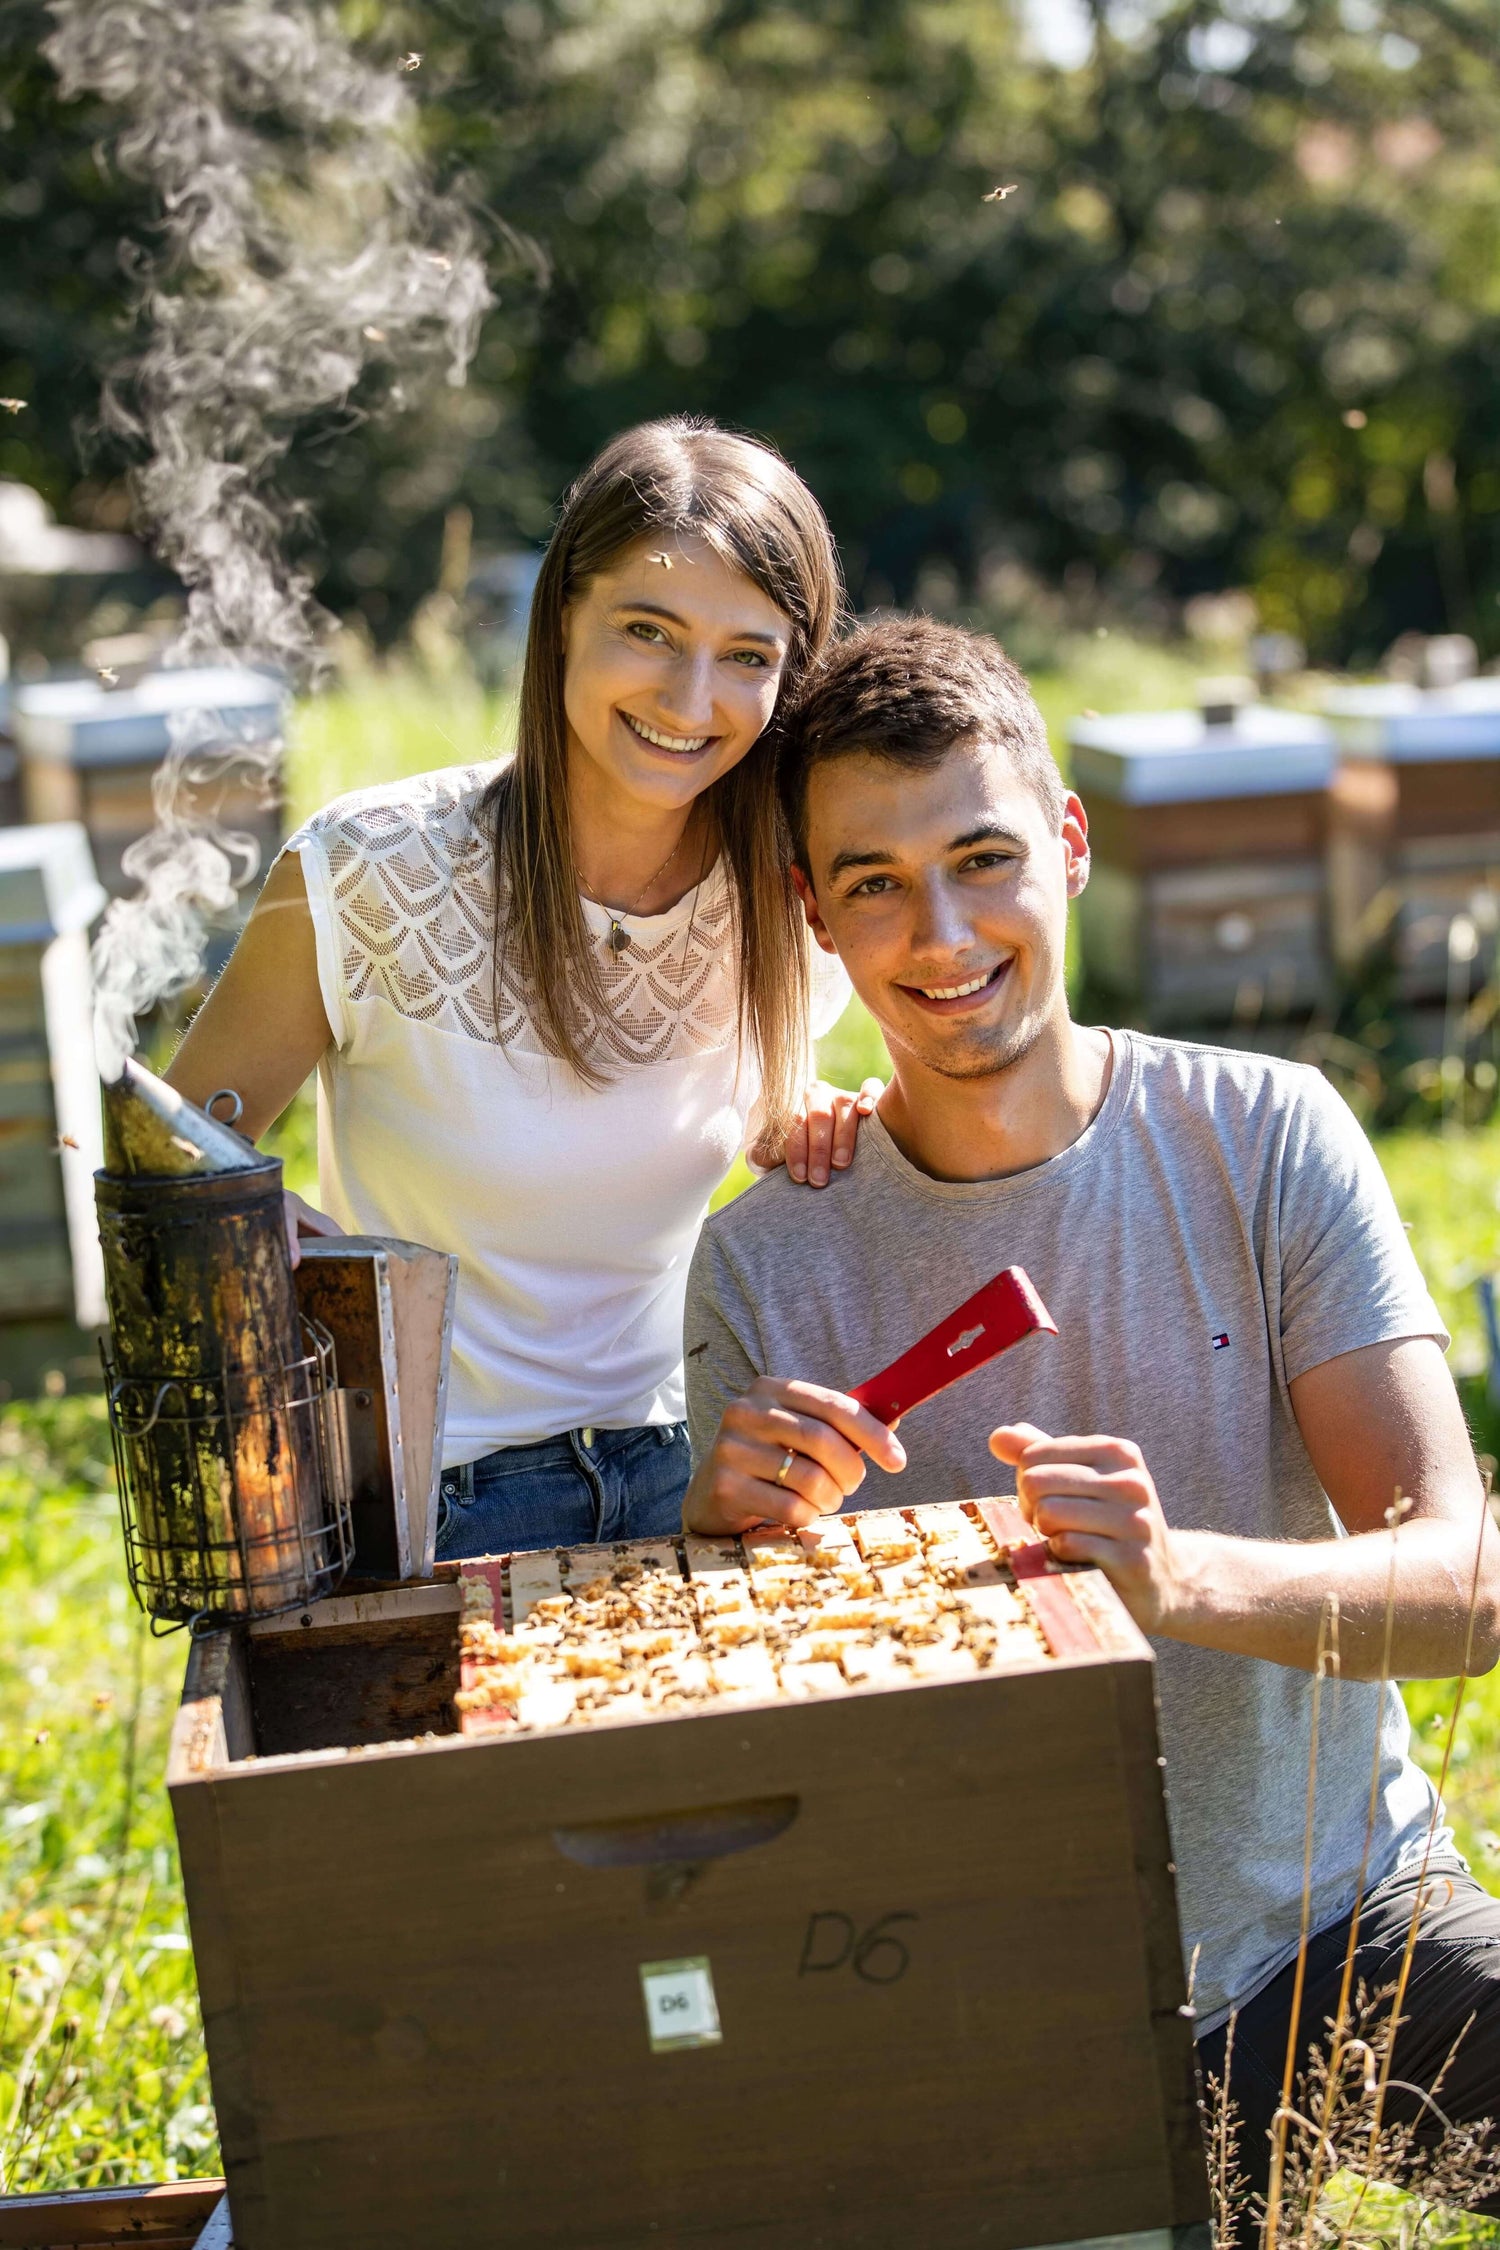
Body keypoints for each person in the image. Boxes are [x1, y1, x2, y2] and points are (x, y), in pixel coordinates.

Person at [682, 613, 1500, 2202]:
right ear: (815, 917)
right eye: (875, 884)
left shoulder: (1264, 1134)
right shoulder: (760, 1264)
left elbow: (1465, 1586)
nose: (942, 933)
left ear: (1066, 845)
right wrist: (719, 1558)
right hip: (974, 1987)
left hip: (1341, 1918)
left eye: (983, 857)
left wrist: (1176, 1578)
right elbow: (747, 1773)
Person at [165, 418, 881, 1556]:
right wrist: (242, 1224)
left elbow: (721, 1130)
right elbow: (168, 1159)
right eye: (648, 631)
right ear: (562, 620)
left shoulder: (791, 906)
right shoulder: (365, 869)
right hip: (422, 1500)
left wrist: (799, 1125)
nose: (692, 699)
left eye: (748, 655)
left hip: (689, 1476)